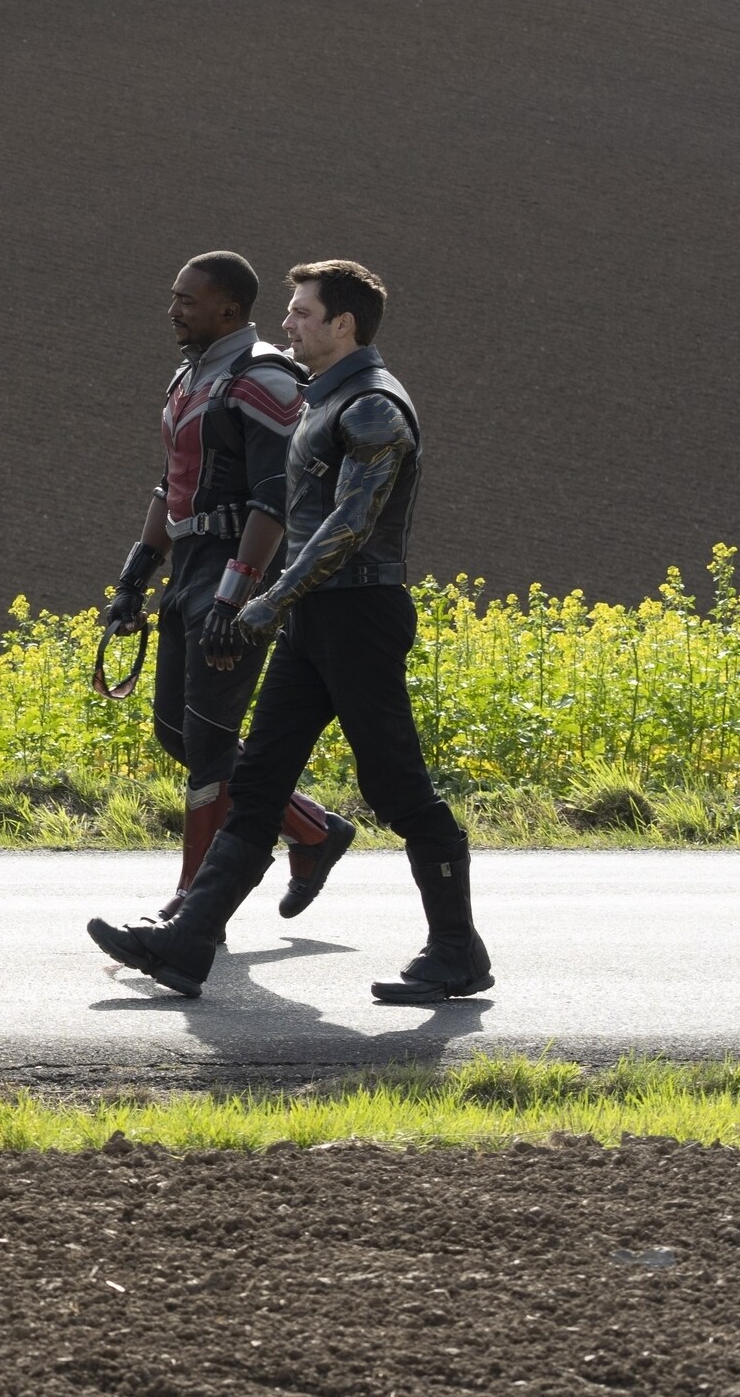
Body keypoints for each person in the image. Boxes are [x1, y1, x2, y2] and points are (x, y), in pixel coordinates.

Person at [90, 260, 490, 1005]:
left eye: (302, 312)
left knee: (396, 785)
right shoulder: (323, 400)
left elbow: (347, 525)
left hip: (359, 615)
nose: (287, 323)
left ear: (343, 325)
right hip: (313, 613)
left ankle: (457, 949)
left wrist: (263, 604)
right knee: (262, 783)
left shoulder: (373, 407)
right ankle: (188, 944)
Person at [96, 252, 357, 921]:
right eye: (175, 296)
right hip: (190, 563)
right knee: (176, 732)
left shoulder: (264, 378)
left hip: (240, 567)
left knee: (209, 739)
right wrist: (133, 579)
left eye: (188, 299)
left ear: (228, 310)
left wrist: (234, 597)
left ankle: (194, 902)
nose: (173, 309)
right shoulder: (191, 375)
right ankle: (311, 830)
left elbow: (276, 497)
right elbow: (172, 485)